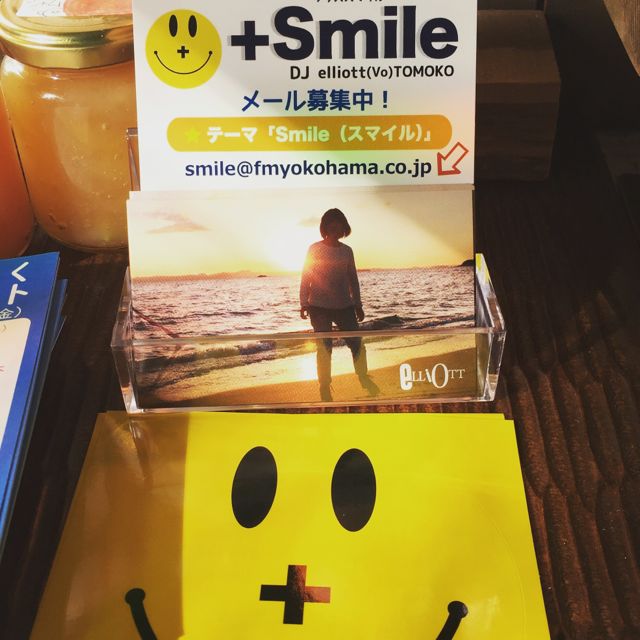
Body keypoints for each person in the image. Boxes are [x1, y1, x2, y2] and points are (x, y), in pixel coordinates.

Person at [300, 208, 380, 402]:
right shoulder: (314, 249)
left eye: (339, 224)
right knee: (324, 347)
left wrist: (358, 304)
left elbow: (353, 279)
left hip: (345, 306)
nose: (335, 228)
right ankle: (324, 386)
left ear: (344, 227)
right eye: (331, 224)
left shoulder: (347, 251)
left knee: (356, 342)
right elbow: (306, 277)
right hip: (318, 307)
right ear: (325, 227)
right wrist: (303, 302)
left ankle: (363, 376)